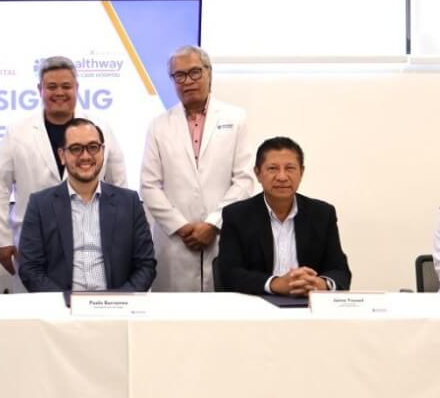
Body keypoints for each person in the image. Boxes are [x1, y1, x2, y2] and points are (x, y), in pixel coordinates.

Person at [0, 56, 127, 283]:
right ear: (40, 89)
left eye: (66, 86)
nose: (59, 93)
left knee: (89, 305)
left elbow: (119, 183)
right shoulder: (18, 133)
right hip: (34, 240)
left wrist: (120, 233)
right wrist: (2, 239)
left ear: (77, 88)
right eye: (51, 87)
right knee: (37, 310)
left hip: (92, 238)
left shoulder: (100, 127)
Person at [141, 45, 254, 292]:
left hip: (222, 235)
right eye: (179, 75)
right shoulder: (158, 125)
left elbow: (244, 180)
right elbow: (149, 185)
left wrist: (213, 224)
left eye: (194, 72)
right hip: (174, 241)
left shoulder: (235, 118)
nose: (187, 81)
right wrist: (182, 227)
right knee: (170, 322)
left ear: (208, 73)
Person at [18, 118, 155, 292]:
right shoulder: (40, 205)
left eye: (92, 147)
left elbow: (146, 265)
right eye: (76, 149)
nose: (85, 156)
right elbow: (30, 269)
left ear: (102, 151)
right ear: (62, 156)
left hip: (116, 309)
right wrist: (64, 303)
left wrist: (118, 301)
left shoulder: (129, 202)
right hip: (63, 312)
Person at [217, 136, 351, 296]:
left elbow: (340, 270)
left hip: (308, 307)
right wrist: (274, 284)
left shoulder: (322, 214)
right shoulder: (236, 215)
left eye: (290, 168)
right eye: (273, 168)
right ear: (258, 173)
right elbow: (229, 273)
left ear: (301, 172)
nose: (282, 177)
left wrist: (320, 283)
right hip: (256, 306)